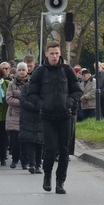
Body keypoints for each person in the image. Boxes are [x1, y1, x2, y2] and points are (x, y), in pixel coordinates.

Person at [25, 41, 82, 194]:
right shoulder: (40, 71)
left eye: (57, 53)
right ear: (46, 54)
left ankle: (60, 182)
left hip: (65, 116)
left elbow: (77, 90)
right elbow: (31, 93)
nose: (55, 56)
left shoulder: (67, 70)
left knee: (64, 151)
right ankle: (47, 176)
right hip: (47, 116)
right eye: (52, 53)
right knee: (50, 149)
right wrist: (42, 104)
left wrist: (69, 102)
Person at [5, 62, 29, 169]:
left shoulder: (31, 83)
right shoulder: (11, 84)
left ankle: (25, 161)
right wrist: (22, 102)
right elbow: (9, 99)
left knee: (25, 141)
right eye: (19, 70)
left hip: (27, 114)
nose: (22, 72)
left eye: (23, 70)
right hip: (14, 114)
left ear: (27, 71)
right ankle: (15, 159)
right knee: (14, 140)